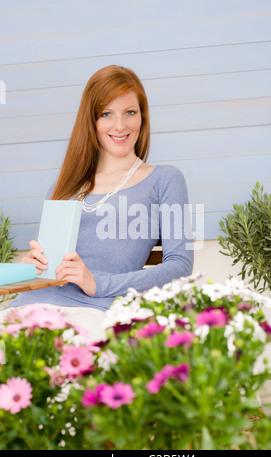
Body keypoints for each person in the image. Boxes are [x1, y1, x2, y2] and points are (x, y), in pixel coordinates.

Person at [4, 65, 194, 340]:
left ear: (143, 117)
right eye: (107, 114)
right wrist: (31, 266)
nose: (120, 126)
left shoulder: (165, 179)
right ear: (92, 122)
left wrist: (97, 283)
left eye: (130, 112)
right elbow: (49, 267)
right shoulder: (63, 186)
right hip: (32, 305)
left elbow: (180, 265)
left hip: (95, 312)